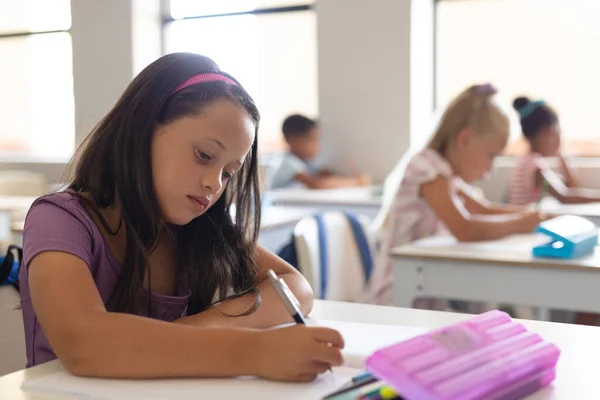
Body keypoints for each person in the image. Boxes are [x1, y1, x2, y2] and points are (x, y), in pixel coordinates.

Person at [19, 53, 344, 381]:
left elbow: (295, 287)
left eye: (229, 173)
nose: (214, 183)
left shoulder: (197, 228)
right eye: (204, 155)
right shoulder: (60, 219)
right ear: (143, 128)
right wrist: (251, 350)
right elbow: (84, 343)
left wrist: (206, 324)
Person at [362, 84, 550, 307]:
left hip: (426, 289)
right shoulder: (427, 168)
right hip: (397, 295)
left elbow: (483, 208)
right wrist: (521, 222)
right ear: (465, 140)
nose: (491, 169)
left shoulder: (447, 173)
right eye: (491, 155)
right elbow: (464, 228)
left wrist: (535, 216)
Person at [508, 96, 600, 205]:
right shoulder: (536, 167)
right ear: (546, 134)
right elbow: (564, 197)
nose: (559, 140)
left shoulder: (526, 161)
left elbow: (570, 185)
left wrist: (560, 156)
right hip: (526, 221)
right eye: (557, 133)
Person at [269, 114, 371, 189]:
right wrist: (356, 183)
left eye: (317, 140)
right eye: (311, 140)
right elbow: (316, 184)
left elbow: (325, 174)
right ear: (292, 140)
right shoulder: (286, 162)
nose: (317, 146)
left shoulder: (307, 161)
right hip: (279, 209)